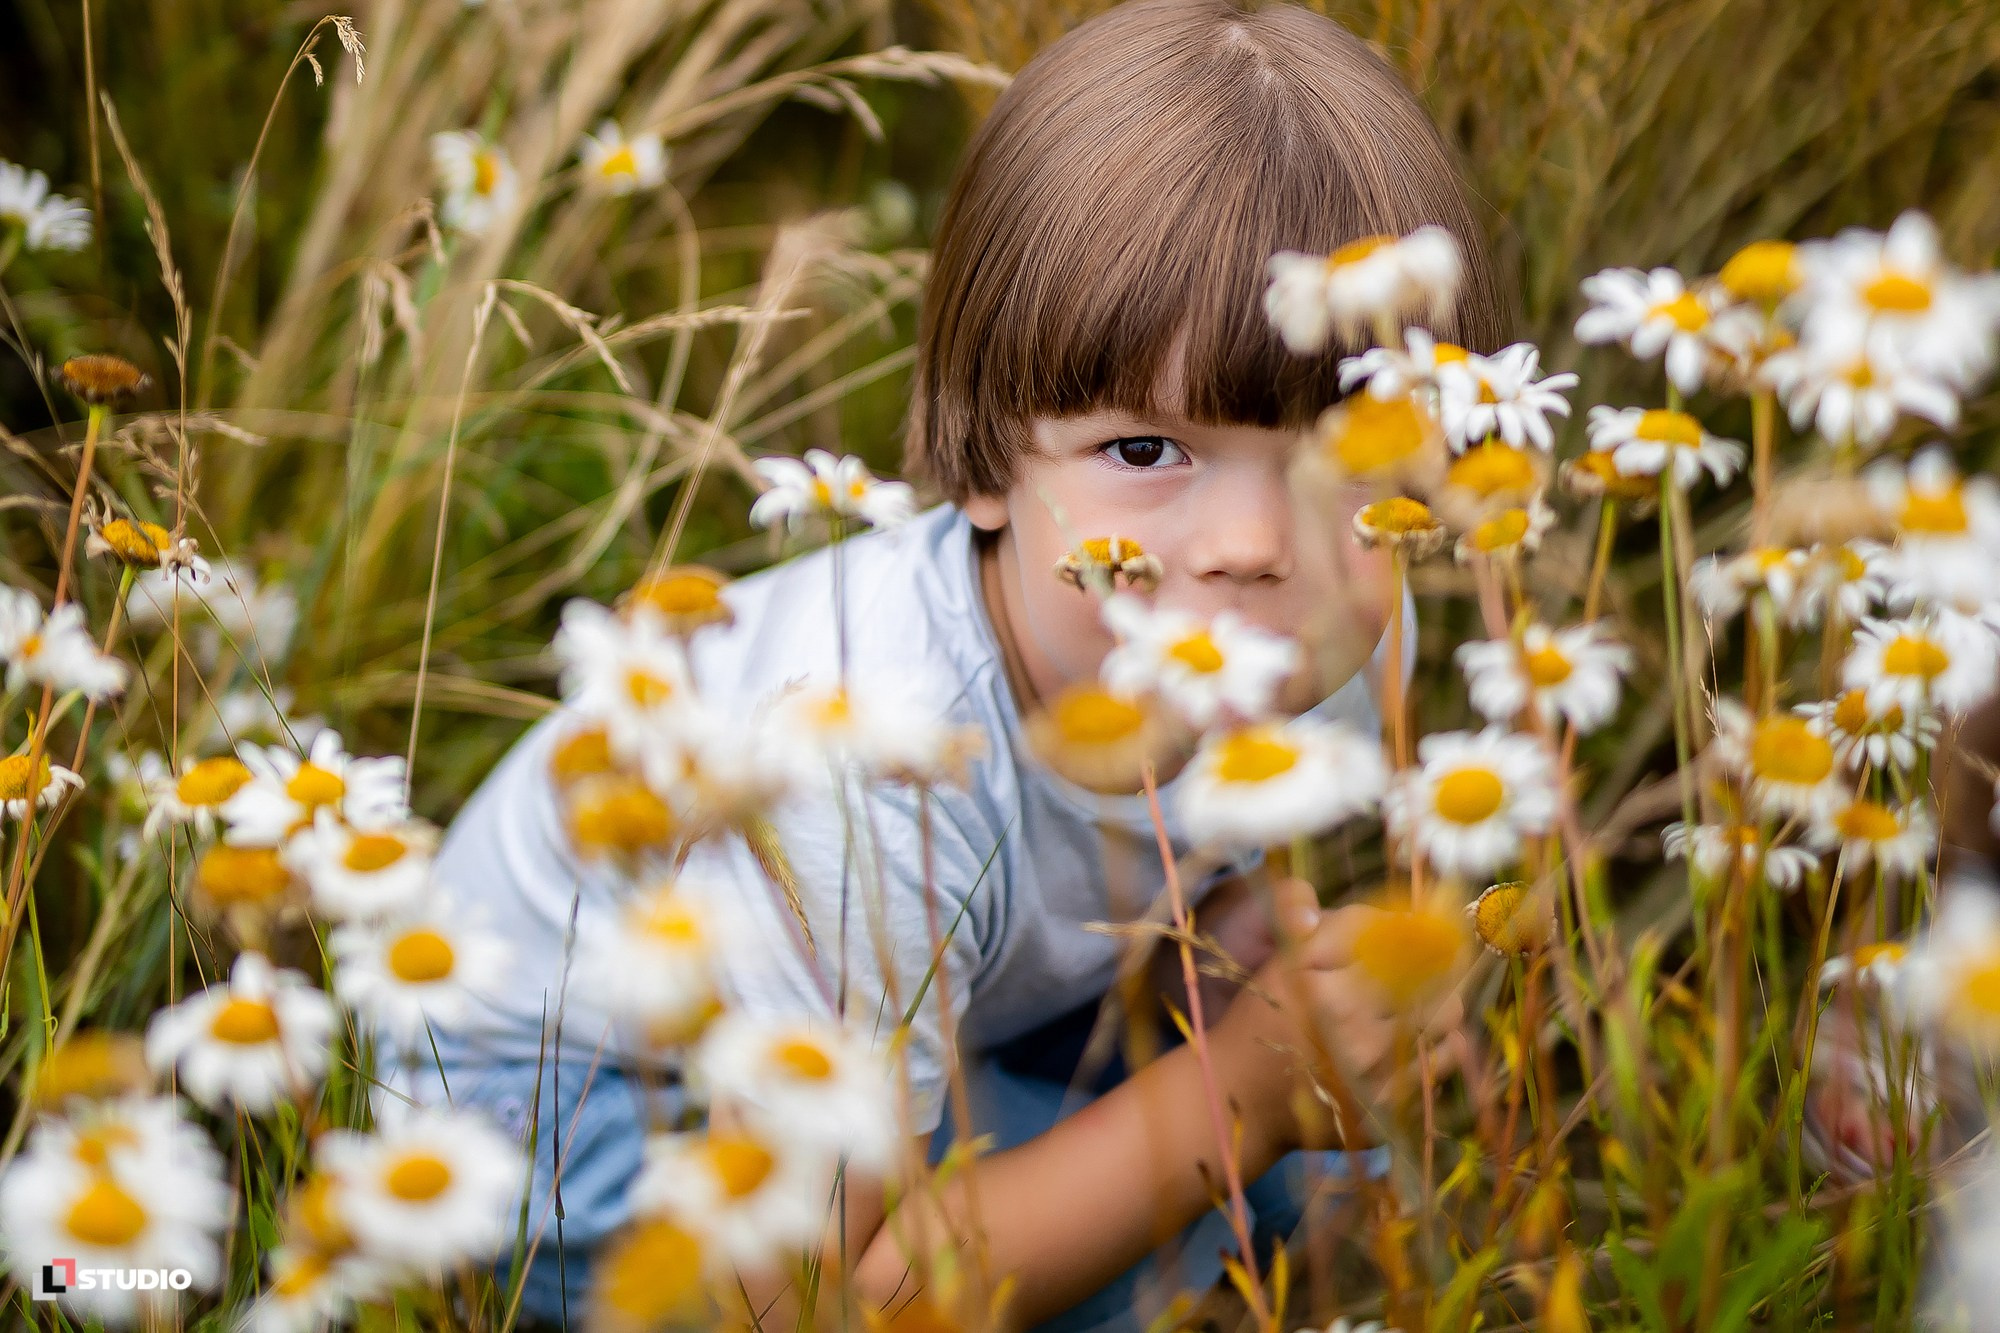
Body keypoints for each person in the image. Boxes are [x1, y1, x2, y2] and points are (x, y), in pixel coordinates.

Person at [395, 0, 1508, 1325]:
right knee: (1157, 1211)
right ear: (986, 461)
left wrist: (1205, 943)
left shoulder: (1329, 625)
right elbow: (815, 1293)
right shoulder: (869, 759)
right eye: (1146, 451)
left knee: (1339, 1138)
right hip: (574, 1117)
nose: (1257, 547)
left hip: (917, 1016)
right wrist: (1240, 1091)